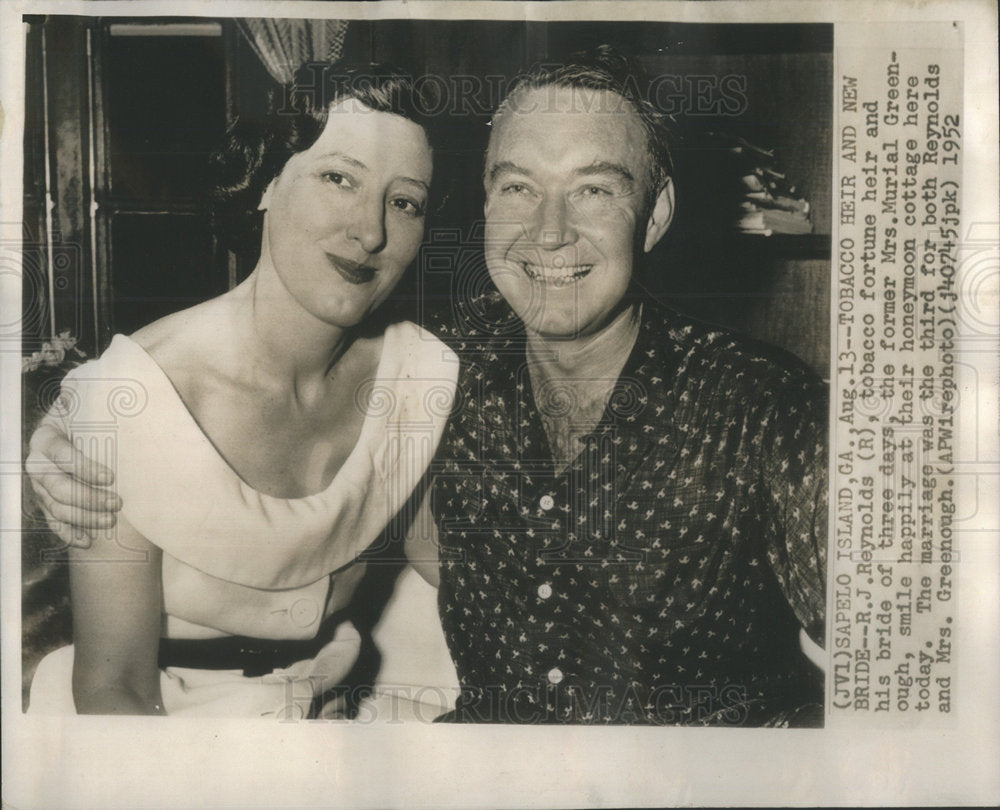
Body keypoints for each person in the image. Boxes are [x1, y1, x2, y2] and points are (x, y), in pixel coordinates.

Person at [29, 46, 828, 726]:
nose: (548, 233)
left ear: (654, 216)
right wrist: (57, 432)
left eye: (593, 188)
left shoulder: (761, 409)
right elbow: (113, 682)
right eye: (518, 187)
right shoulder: (455, 368)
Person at [24, 60, 458, 717]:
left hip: (338, 715)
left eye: (404, 203)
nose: (370, 232)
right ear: (264, 184)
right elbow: (115, 688)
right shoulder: (136, 398)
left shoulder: (416, 374)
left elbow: (456, 569)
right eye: (338, 178)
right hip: (169, 724)